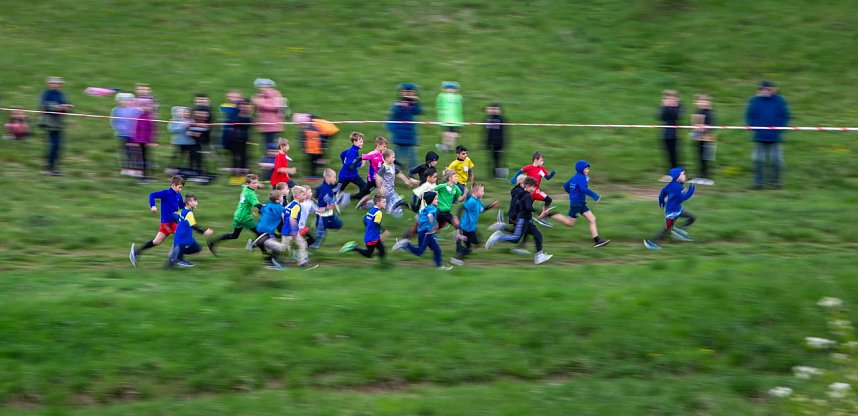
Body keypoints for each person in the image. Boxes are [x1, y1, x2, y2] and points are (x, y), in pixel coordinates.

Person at [485, 177, 552, 264]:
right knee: (516, 238)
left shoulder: (522, 194)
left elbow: (519, 206)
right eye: (533, 187)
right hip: (523, 219)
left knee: (537, 235)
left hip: (526, 219)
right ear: (528, 186)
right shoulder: (527, 195)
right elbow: (528, 207)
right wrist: (539, 212)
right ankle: (499, 237)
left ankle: (539, 256)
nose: (535, 188)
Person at [130, 175, 185, 267]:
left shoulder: (178, 195)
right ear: (174, 185)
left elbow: (181, 206)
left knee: (157, 242)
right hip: (166, 222)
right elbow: (152, 195)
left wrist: (189, 205)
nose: (180, 189)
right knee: (179, 236)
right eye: (180, 187)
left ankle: (136, 252)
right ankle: (176, 258)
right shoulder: (166, 193)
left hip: (174, 222)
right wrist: (153, 206)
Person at [746, 80, 790, 189]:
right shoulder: (754, 101)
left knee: (777, 161)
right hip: (760, 136)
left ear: (773, 89)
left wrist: (779, 129)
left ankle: (776, 182)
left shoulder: (780, 101)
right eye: (762, 89)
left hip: (775, 136)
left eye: (767, 89)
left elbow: (785, 116)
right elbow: (749, 116)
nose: (765, 91)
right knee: (758, 160)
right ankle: (758, 182)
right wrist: (755, 128)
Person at [392, 191, 453, 270]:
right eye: (436, 199)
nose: (437, 200)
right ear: (431, 200)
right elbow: (430, 216)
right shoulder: (432, 208)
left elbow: (422, 216)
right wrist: (434, 225)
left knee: (437, 250)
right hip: (426, 233)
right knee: (420, 252)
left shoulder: (427, 208)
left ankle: (439, 266)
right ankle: (405, 244)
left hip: (426, 233)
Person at [511, 151, 573, 228]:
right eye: (541, 160)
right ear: (535, 160)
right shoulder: (529, 167)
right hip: (533, 191)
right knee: (548, 200)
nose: (542, 162)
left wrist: (551, 174)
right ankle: (542, 217)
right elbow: (519, 171)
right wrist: (514, 179)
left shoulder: (541, 169)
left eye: (543, 161)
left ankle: (515, 221)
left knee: (525, 209)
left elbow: (547, 177)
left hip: (533, 191)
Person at [207, 174, 263, 254]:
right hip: (244, 217)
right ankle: (252, 244)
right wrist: (267, 208)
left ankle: (212, 242)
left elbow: (252, 185)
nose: (256, 184)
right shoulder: (250, 194)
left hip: (238, 215)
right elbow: (257, 205)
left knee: (234, 235)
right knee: (260, 233)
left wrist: (258, 186)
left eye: (257, 182)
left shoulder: (245, 187)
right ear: (248, 183)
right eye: (253, 183)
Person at [644, 168, 697, 250]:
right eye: (683, 174)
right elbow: (682, 198)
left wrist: (661, 201)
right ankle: (652, 243)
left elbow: (663, 192)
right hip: (673, 213)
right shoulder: (677, 187)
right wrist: (691, 190)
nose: (685, 176)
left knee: (692, 218)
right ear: (677, 176)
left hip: (677, 210)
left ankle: (678, 229)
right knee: (666, 229)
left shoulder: (672, 185)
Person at [562, 160, 610, 247]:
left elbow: (565, 186)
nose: (588, 170)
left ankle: (597, 240)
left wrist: (572, 193)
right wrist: (595, 196)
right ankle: (550, 214)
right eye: (586, 169)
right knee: (569, 223)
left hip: (581, 203)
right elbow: (584, 189)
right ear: (581, 169)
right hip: (576, 204)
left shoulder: (575, 177)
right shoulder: (582, 177)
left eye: (588, 169)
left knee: (592, 219)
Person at [450, 183, 499, 266]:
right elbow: (461, 208)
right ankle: (457, 258)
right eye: (482, 191)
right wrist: (457, 220)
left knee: (473, 244)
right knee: (474, 245)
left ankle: (459, 240)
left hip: (471, 227)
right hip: (467, 227)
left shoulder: (478, 201)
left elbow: (482, 210)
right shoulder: (471, 201)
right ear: (476, 192)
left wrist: (491, 206)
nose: (483, 193)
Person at [364, 149, 418, 218]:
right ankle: (397, 216)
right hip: (386, 190)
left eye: (394, 157)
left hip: (391, 189)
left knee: (391, 201)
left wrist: (406, 181)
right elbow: (377, 177)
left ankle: (367, 203)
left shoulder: (392, 165)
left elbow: (398, 173)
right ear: (386, 159)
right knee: (393, 204)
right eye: (392, 157)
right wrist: (380, 188)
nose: (394, 159)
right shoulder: (384, 167)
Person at [166, 194, 214, 268]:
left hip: (185, 237)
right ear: (189, 202)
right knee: (171, 264)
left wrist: (173, 214)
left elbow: (175, 216)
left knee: (198, 248)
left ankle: (177, 252)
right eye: (194, 201)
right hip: (182, 238)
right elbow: (194, 226)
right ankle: (177, 257)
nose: (197, 203)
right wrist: (205, 232)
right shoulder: (189, 213)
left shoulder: (183, 210)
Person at [39, 76, 73, 176]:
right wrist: (58, 107)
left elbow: (65, 105)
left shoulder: (61, 94)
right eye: (54, 83)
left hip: (58, 124)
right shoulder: (46, 94)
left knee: (58, 146)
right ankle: (49, 168)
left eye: (58, 83)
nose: (56, 85)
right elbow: (45, 105)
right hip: (49, 123)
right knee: (53, 146)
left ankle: (53, 167)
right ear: (49, 84)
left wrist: (67, 107)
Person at [340, 194, 388, 263]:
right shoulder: (379, 213)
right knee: (371, 253)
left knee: (380, 251)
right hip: (373, 238)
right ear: (378, 203)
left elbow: (364, 219)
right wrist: (383, 231)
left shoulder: (370, 211)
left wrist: (369, 228)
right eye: (384, 202)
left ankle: (383, 264)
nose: (385, 204)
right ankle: (353, 248)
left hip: (369, 236)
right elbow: (377, 223)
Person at [248, 189, 289, 269]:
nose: (283, 197)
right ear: (277, 200)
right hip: (266, 232)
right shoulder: (281, 209)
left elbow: (261, 211)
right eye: (281, 196)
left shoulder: (267, 206)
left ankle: (271, 260)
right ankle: (272, 264)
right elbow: (287, 217)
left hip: (260, 229)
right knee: (281, 248)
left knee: (273, 245)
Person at [385, 83, 422, 170]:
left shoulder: (413, 105)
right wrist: (395, 131)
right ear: (401, 93)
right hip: (399, 137)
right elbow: (391, 118)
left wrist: (415, 102)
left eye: (411, 92)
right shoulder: (397, 104)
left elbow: (419, 111)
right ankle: (394, 173)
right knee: (397, 158)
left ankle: (412, 175)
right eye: (406, 92)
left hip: (410, 137)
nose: (408, 94)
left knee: (412, 159)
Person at [311, 169, 345, 249]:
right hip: (322, 213)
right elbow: (328, 199)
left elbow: (332, 190)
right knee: (321, 234)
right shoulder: (324, 188)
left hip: (329, 212)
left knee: (338, 224)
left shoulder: (326, 187)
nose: (334, 179)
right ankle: (314, 246)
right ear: (327, 177)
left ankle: (320, 225)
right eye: (334, 177)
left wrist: (341, 184)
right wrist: (339, 200)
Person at [280, 186, 312, 268]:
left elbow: (283, 214)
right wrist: (294, 230)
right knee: (285, 247)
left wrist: (285, 224)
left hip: (286, 229)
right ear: (298, 196)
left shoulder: (290, 204)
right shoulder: (297, 206)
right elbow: (292, 218)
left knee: (300, 244)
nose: (305, 197)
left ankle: (302, 262)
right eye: (303, 195)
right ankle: (275, 256)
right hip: (292, 231)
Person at [110, 93, 141, 176]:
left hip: (133, 135)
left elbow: (138, 120)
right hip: (122, 134)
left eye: (127, 100)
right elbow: (114, 122)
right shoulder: (116, 110)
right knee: (123, 151)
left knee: (133, 151)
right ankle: (125, 167)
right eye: (122, 100)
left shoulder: (135, 110)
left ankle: (134, 168)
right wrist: (119, 128)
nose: (125, 102)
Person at [252, 78, 288, 149]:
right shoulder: (258, 96)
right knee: (266, 146)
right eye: (260, 86)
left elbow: (276, 107)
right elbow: (255, 111)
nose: (262, 88)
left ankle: (276, 159)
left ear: (269, 86)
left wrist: (259, 103)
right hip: (264, 126)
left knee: (273, 147)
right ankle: (269, 159)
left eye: (264, 86)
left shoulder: (276, 95)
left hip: (273, 126)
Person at [433, 168, 468, 239]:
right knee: (456, 221)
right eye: (455, 177)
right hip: (440, 211)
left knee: (436, 228)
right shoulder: (443, 186)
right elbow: (432, 189)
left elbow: (460, 199)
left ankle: (429, 236)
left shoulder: (456, 188)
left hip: (445, 211)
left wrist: (465, 194)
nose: (457, 178)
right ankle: (458, 235)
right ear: (450, 178)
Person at [353, 136, 388, 206]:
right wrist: (353, 164)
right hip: (373, 179)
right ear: (378, 146)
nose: (385, 148)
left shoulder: (382, 154)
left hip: (378, 178)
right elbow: (360, 158)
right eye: (384, 146)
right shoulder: (373, 154)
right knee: (383, 190)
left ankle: (361, 202)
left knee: (364, 193)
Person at [689, 94, 716, 185]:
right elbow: (694, 124)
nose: (702, 103)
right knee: (699, 157)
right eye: (700, 101)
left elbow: (712, 125)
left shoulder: (709, 113)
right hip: (698, 138)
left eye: (704, 101)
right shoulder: (697, 112)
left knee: (706, 158)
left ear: (708, 102)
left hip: (707, 138)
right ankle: (699, 176)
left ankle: (707, 177)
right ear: (696, 103)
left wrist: (705, 127)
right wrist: (694, 129)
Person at [129, 98, 157, 181]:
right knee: (140, 158)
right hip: (140, 141)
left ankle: (146, 175)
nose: (146, 108)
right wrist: (135, 140)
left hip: (147, 142)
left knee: (146, 158)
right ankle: (141, 175)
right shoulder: (140, 116)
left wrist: (151, 141)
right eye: (144, 106)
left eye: (148, 106)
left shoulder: (151, 117)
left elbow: (152, 130)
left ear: (151, 107)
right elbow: (137, 129)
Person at [227, 99, 254, 176]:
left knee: (244, 155)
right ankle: (235, 171)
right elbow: (233, 123)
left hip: (243, 139)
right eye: (241, 105)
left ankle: (243, 170)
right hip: (233, 138)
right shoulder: (234, 114)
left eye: (245, 105)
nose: (243, 107)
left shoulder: (248, 115)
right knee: (234, 155)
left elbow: (248, 126)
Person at [659, 90, 682, 179]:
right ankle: (668, 173)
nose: (670, 100)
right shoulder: (663, 107)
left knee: (675, 155)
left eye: (672, 98)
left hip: (675, 134)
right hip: (665, 133)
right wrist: (665, 107)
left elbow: (677, 116)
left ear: (676, 99)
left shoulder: (679, 106)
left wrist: (672, 107)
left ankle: (677, 174)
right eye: (668, 98)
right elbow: (662, 117)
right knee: (666, 154)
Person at [435, 81, 464, 153]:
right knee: (447, 132)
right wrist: (440, 114)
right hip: (446, 118)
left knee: (454, 133)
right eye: (448, 88)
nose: (450, 90)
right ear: (444, 89)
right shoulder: (442, 96)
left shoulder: (458, 97)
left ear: (456, 89)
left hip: (456, 118)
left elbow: (459, 107)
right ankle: (445, 145)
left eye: (452, 88)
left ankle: (449, 147)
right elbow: (439, 106)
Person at [168, 106, 194, 172]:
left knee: (188, 155)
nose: (185, 114)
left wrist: (191, 129)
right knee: (176, 155)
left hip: (189, 142)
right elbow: (172, 130)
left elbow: (193, 129)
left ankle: (188, 168)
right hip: (178, 141)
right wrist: (183, 126)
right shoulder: (174, 121)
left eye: (187, 112)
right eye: (179, 112)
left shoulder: (191, 120)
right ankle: (171, 167)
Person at [485, 103, 507, 179]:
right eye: (493, 109)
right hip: (491, 142)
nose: (494, 111)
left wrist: (504, 142)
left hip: (499, 143)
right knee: (492, 158)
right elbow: (487, 132)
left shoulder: (501, 119)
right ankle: (493, 174)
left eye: (496, 109)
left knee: (498, 159)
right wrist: (487, 142)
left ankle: (499, 174)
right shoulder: (488, 119)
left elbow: (504, 132)